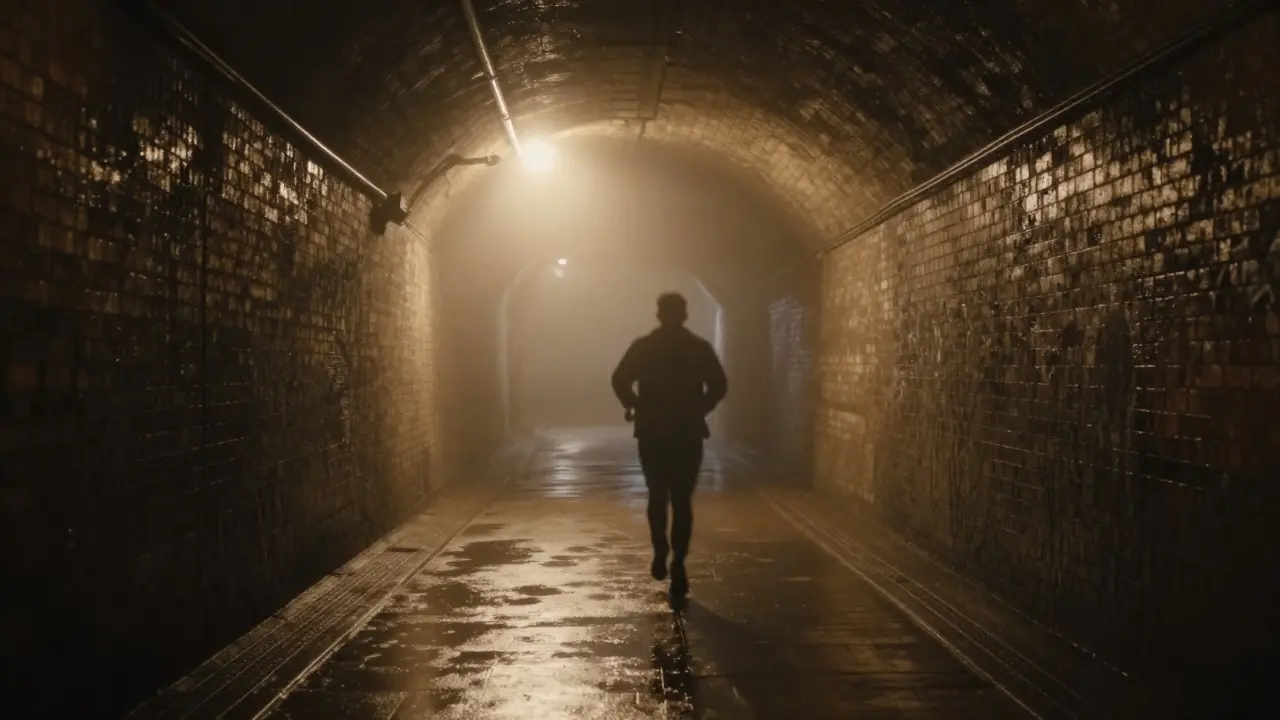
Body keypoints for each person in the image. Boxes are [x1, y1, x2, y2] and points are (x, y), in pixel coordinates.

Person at [611, 292, 728, 600]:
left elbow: (619, 379)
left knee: (657, 494)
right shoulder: (698, 348)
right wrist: (699, 408)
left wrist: (635, 404)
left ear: (659, 314)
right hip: (687, 433)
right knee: (681, 498)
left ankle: (660, 549)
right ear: (685, 315)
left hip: (652, 432)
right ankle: (679, 561)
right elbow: (719, 384)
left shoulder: (644, 348)